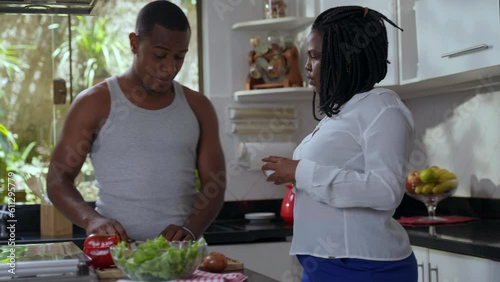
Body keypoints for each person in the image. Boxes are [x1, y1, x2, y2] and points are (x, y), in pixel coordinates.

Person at [46, 0, 226, 242]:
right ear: (134, 43)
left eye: (179, 57)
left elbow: (215, 184)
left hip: (181, 258)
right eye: (160, 55)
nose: (169, 68)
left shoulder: (198, 107)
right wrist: (91, 219)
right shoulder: (93, 103)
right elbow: (57, 180)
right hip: (113, 256)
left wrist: (191, 230)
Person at [261, 6, 417, 282]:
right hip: (326, 266)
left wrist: (300, 171)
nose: (307, 66)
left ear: (346, 59)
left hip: (365, 268)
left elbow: (386, 190)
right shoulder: (342, 112)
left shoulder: (384, 108)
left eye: (316, 57)